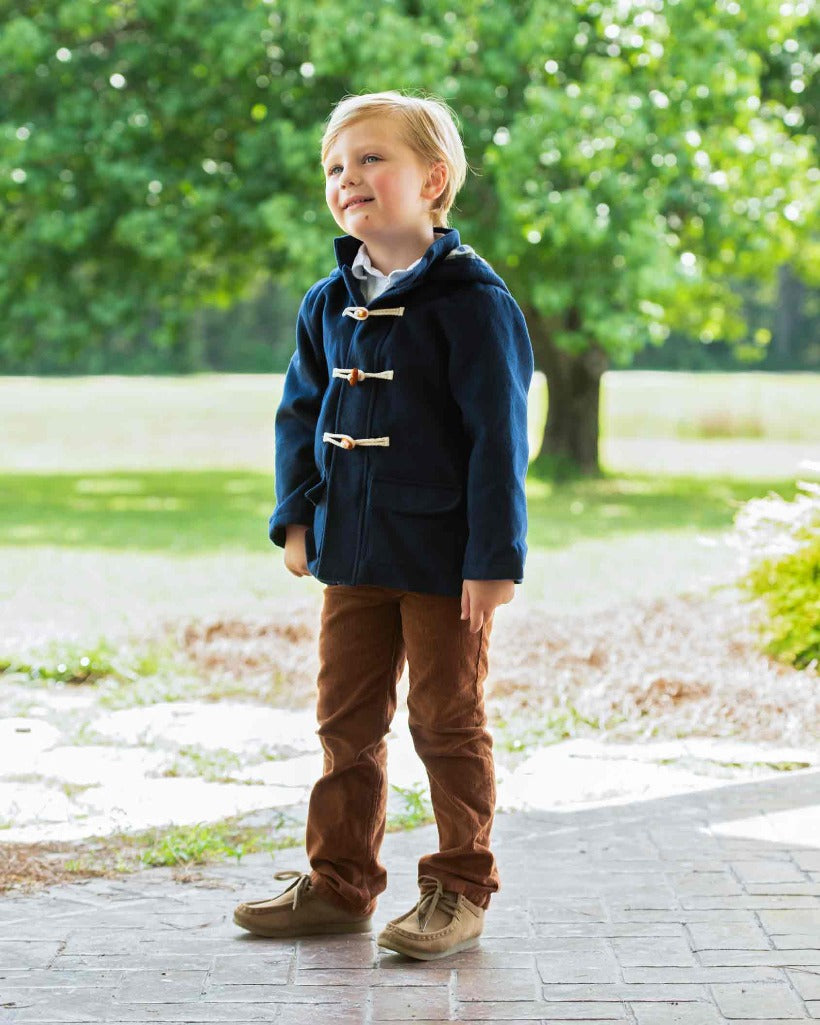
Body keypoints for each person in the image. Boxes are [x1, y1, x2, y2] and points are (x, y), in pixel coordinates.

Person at [233, 89, 534, 961]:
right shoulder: (329, 300)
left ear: (433, 179)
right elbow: (300, 412)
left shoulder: (473, 301)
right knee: (345, 720)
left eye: (371, 159)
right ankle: (338, 882)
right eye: (335, 166)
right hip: (353, 551)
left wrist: (494, 559)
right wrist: (297, 516)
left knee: (447, 718)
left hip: (445, 559)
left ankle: (457, 885)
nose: (348, 178)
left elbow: (498, 440)